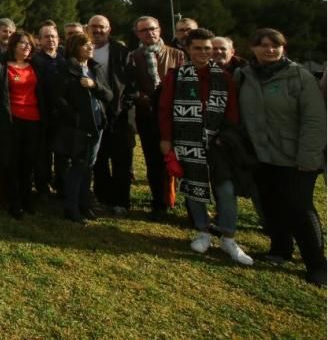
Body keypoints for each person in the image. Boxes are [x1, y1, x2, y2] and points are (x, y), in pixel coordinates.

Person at [237, 28, 326, 286]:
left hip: (295, 157)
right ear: (252, 48)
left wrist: (308, 156)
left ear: (283, 48)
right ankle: (280, 249)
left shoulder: (300, 77)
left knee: (300, 208)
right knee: (271, 204)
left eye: (275, 45)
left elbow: (315, 120)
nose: (270, 49)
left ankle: (317, 263)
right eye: (263, 45)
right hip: (262, 156)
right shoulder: (244, 76)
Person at [157, 28, 252, 264]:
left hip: (218, 143)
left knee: (225, 189)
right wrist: (166, 139)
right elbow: (165, 108)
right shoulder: (176, 75)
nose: (203, 53)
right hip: (187, 141)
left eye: (207, 49)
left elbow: (232, 112)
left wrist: (225, 136)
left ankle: (228, 237)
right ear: (188, 49)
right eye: (197, 48)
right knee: (193, 187)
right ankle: (202, 231)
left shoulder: (225, 77)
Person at [126, 15, 184, 220]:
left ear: (160, 29)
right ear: (137, 34)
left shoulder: (177, 55)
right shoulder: (133, 56)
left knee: (175, 159)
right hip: (147, 115)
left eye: (152, 28)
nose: (149, 33)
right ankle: (159, 202)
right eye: (144, 30)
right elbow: (131, 86)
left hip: (174, 116)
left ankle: (174, 198)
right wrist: (143, 98)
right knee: (153, 161)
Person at [0, 31, 48, 219]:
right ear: (13, 46)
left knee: (28, 162)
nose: (26, 46)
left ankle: (27, 198)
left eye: (29, 44)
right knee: (12, 162)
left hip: (34, 120)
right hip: (11, 120)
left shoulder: (36, 66)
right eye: (22, 43)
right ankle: (14, 202)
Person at [54, 33, 112, 225]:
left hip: (97, 125)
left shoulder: (95, 68)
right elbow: (58, 98)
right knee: (78, 166)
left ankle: (84, 203)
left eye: (91, 45)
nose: (90, 48)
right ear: (75, 47)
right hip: (78, 127)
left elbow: (108, 95)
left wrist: (94, 85)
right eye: (85, 45)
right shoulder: (66, 69)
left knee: (88, 166)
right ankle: (71, 208)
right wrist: (76, 118)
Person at [86, 15, 133, 216]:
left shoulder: (122, 52)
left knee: (122, 160)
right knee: (99, 160)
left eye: (102, 27)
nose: (98, 31)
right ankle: (104, 198)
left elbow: (131, 82)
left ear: (109, 29)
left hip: (120, 115)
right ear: (88, 29)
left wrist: (124, 105)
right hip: (94, 114)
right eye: (94, 27)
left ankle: (121, 201)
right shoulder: (82, 50)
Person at [31, 21, 66, 197]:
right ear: (39, 40)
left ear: (58, 39)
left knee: (61, 153)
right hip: (42, 113)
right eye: (46, 37)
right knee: (43, 154)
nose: (50, 40)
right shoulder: (35, 60)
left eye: (53, 36)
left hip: (63, 115)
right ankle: (42, 185)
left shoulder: (64, 58)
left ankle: (61, 184)